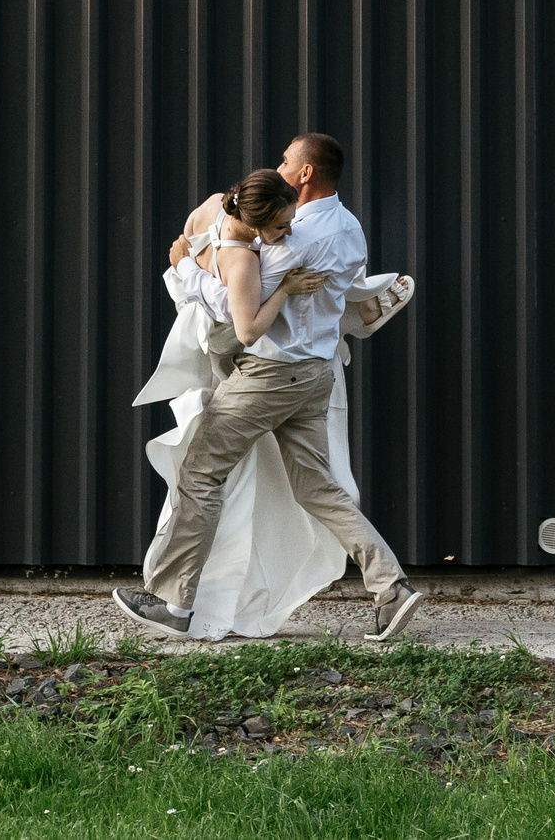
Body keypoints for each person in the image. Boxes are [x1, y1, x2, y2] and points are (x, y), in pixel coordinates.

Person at [116, 133, 424, 643]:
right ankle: (390, 587)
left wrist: (186, 266)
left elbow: (232, 307)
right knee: (317, 487)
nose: (278, 166)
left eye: (285, 160)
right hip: (315, 375)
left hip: (271, 375)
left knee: (200, 473)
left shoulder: (290, 242)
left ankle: (174, 602)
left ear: (304, 173)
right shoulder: (349, 227)